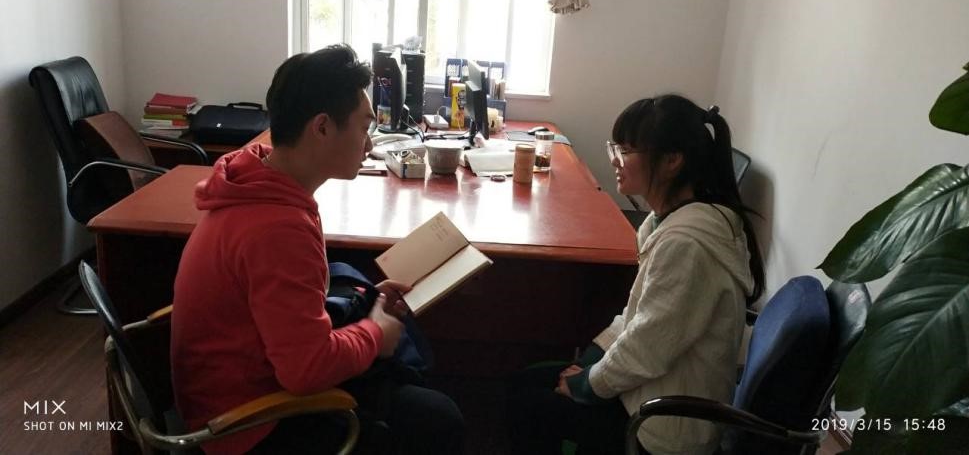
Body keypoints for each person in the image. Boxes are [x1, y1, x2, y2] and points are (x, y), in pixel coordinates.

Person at [171, 44, 464, 455]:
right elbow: (306, 371)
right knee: (437, 418)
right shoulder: (277, 228)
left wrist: (366, 305)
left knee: (410, 392)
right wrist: (376, 333)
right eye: (364, 128)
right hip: (248, 424)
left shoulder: (256, 182)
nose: (369, 144)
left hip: (236, 385)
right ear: (322, 127)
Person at [506, 94, 765, 455]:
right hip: (649, 389)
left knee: (529, 404)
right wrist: (592, 359)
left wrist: (588, 384)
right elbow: (639, 317)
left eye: (626, 151)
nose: (615, 158)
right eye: (616, 147)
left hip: (662, 427)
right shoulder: (668, 220)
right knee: (526, 383)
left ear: (672, 160)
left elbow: (647, 348)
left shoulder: (687, 245)